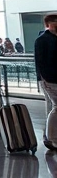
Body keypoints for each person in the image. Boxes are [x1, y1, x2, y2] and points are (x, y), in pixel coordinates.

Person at [34, 14, 57, 152]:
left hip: (52, 78)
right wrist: (44, 79)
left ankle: (51, 136)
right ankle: (50, 137)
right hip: (50, 79)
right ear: (48, 24)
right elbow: (40, 61)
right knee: (55, 106)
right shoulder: (42, 39)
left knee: (54, 106)